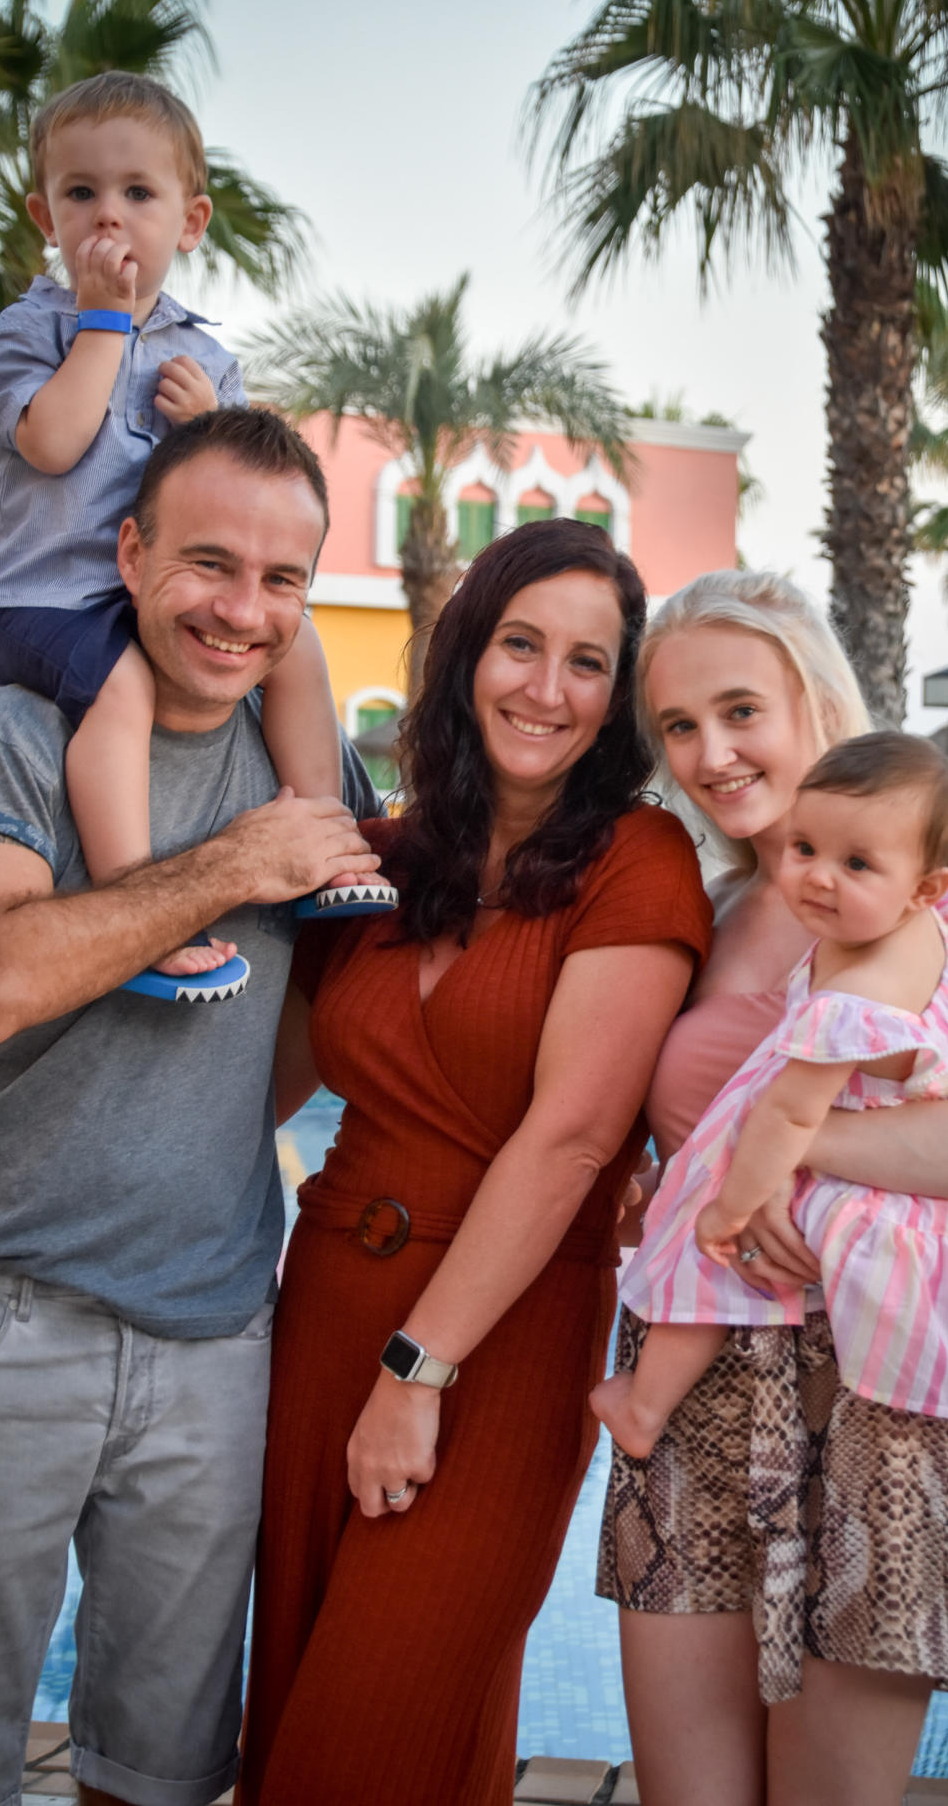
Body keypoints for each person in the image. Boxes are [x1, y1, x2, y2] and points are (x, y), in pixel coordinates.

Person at [0, 408, 382, 1806]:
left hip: (215, 1331)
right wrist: (233, 864)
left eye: (283, 579)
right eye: (210, 563)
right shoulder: (8, 732)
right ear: (131, 551)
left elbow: (343, 1012)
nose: (242, 609)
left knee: (160, 1769)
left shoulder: (312, 767)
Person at [235, 519, 713, 1806]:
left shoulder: (638, 862)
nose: (545, 690)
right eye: (519, 645)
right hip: (324, 1305)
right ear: (466, 655)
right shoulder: (381, 864)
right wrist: (8, 1059)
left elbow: (569, 1141)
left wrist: (418, 1370)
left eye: (587, 663)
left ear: (618, 697)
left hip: (493, 1344)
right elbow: (255, 1080)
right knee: (308, 1702)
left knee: (364, 1735)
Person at [596, 571, 948, 1806]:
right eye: (679, 727)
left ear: (813, 695)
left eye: (740, 709)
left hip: (883, 1388)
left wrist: (791, 1139)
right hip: (696, 1387)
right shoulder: (696, 911)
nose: (711, 753)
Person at [0, 71, 389, 991]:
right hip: (42, 601)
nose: (107, 219)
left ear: (189, 223)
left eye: (138, 194)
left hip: (151, 595)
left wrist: (204, 425)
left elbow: (243, 495)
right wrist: (104, 325)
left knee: (303, 641)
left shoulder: (207, 357)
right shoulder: (22, 334)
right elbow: (50, 440)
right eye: (81, 194)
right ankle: (136, 899)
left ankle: (324, 834)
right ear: (46, 213)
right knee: (122, 687)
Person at [594, 731, 948, 1510]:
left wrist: (727, 1207)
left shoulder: (849, 1003)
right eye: (805, 847)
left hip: (872, 1205)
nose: (815, 876)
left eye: (855, 864)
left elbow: (785, 1113)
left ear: (921, 887)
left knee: (707, 1251)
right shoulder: (944, 925)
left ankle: (643, 1405)